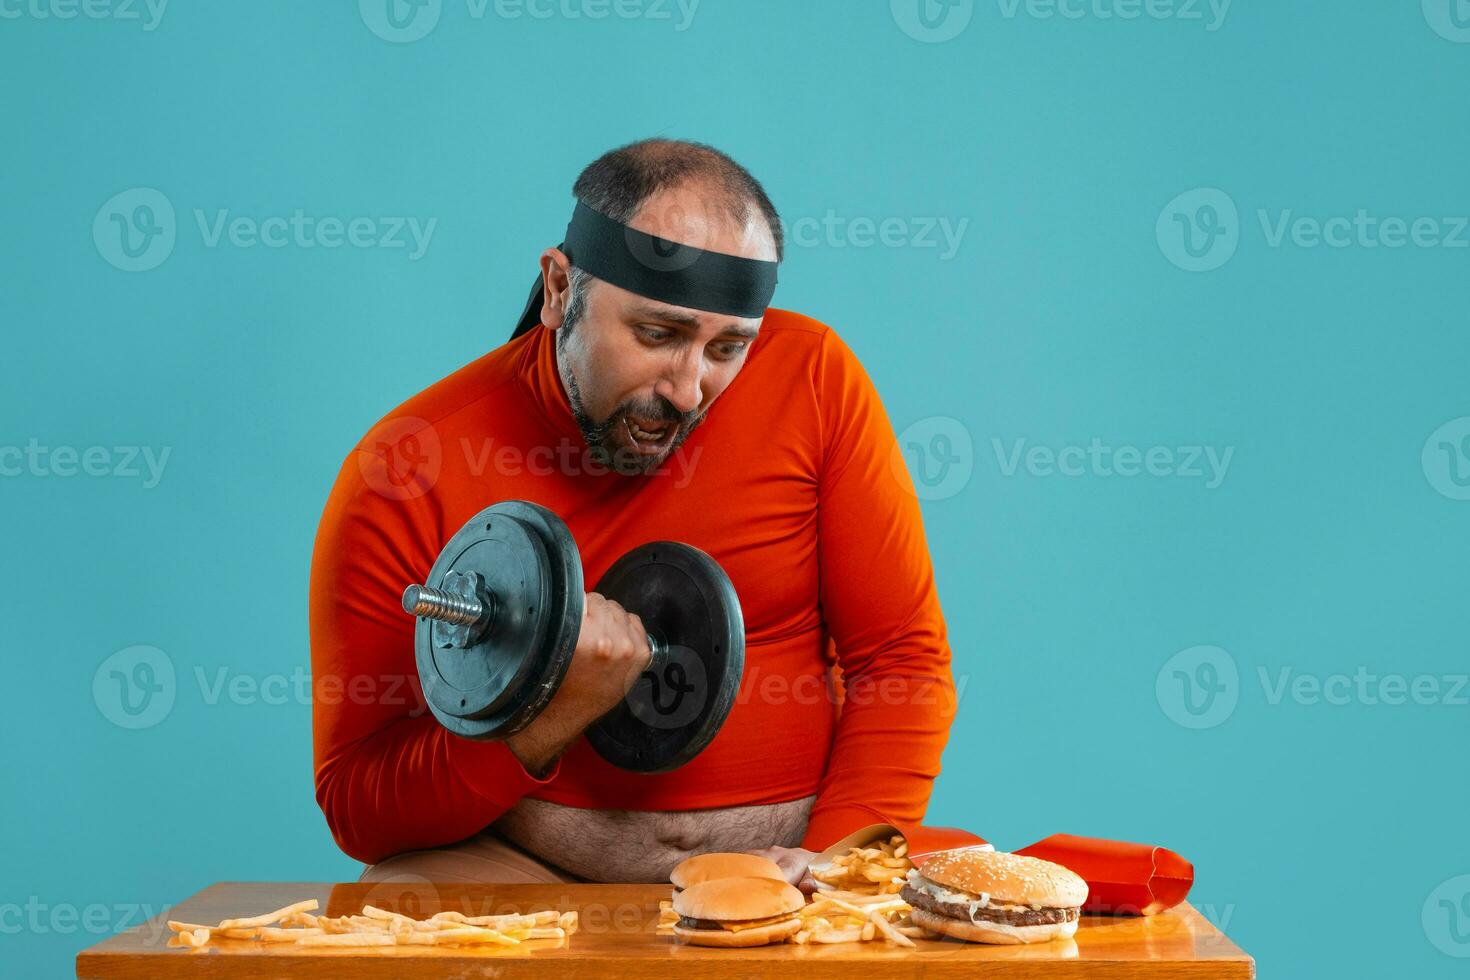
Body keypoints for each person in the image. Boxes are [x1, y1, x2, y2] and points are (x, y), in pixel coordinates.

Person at [309, 138, 956, 887]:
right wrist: (546, 718)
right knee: (404, 916)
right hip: (534, 867)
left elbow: (900, 660)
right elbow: (358, 803)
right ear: (558, 290)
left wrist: (836, 858)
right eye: (658, 334)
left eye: (728, 348)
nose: (689, 389)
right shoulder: (408, 466)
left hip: (797, 863)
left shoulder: (813, 377)